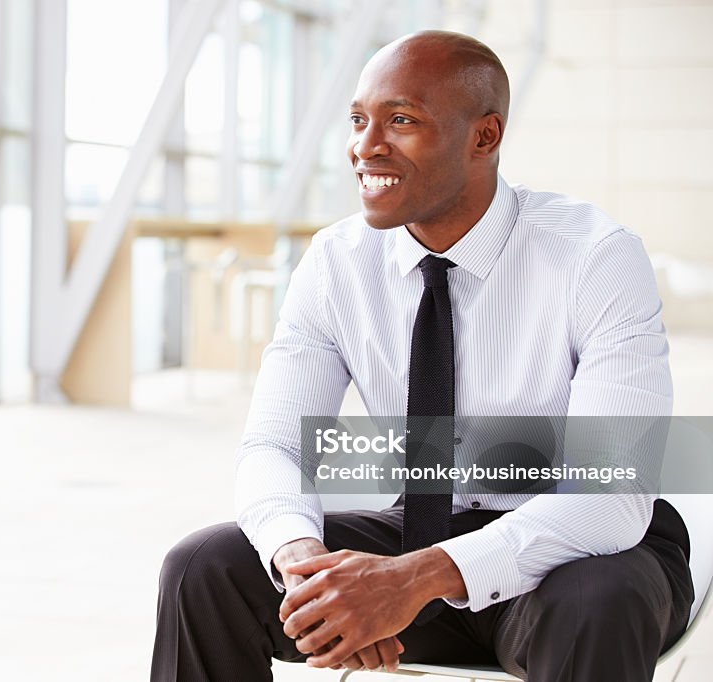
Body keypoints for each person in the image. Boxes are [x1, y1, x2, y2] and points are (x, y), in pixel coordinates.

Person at [149, 30, 694, 682]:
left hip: (578, 552)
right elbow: (273, 448)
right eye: (358, 120)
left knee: (596, 602)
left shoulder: (594, 257)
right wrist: (310, 568)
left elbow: (610, 495)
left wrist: (411, 580)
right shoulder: (335, 263)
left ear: (483, 138)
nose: (364, 146)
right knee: (203, 570)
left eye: (400, 120)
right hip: (421, 531)